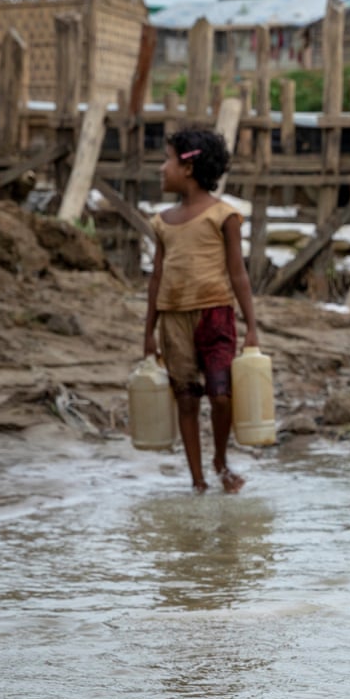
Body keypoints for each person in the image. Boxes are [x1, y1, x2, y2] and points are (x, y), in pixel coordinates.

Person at [143, 128, 261, 493]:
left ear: (189, 168)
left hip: (216, 315)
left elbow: (238, 274)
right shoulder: (162, 222)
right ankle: (198, 481)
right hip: (174, 317)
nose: (162, 168)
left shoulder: (224, 216)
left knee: (222, 395)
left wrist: (252, 327)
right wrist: (148, 330)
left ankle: (220, 460)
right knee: (186, 399)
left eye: (168, 160)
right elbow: (157, 276)